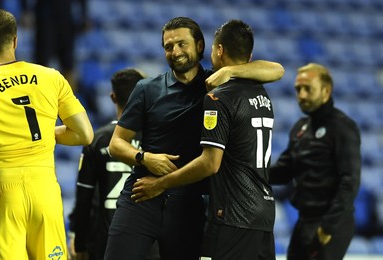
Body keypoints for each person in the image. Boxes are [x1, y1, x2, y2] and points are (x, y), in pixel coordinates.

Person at [105, 16, 284, 260]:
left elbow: (277, 70)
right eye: (168, 47)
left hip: (188, 205)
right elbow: (116, 144)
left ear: (200, 46)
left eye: (181, 44)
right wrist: (144, 158)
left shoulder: (216, 87)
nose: (175, 52)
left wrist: (231, 70)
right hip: (142, 195)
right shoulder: (147, 89)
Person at [0, 9, 94, 260]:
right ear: (15, 40)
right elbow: (85, 134)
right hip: (45, 188)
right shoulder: (51, 76)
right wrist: (44, 134)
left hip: (0, 190)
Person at [268, 63, 361, 260]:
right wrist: (248, 171)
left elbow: (349, 182)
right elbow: (283, 171)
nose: (301, 95)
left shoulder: (343, 128)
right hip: (304, 219)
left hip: (331, 223)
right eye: (298, 89)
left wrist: (327, 228)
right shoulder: (300, 128)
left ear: (326, 91)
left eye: (307, 88)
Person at [67, 68, 160, 260]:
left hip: (105, 244)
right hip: (150, 244)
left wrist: (79, 243)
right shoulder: (159, 139)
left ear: (112, 97)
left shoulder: (98, 139)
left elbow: (84, 197)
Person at [20, 0, 90, 93]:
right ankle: (40, 99)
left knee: (68, 63)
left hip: (66, 18)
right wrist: (25, 11)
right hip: (45, 18)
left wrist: (84, 15)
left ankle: (68, 101)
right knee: (42, 63)